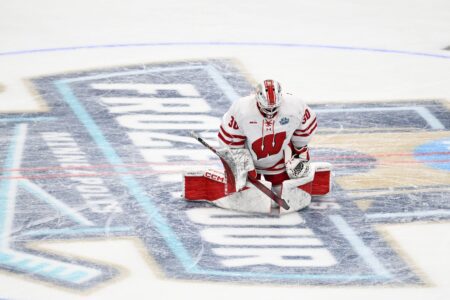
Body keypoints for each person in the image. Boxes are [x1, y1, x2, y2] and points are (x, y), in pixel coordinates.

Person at [217, 79, 317, 196]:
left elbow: (303, 132)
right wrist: (242, 164)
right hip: (250, 159)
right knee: (243, 188)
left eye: (274, 109)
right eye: (266, 109)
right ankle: (239, 182)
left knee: (287, 188)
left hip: (279, 162)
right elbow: (231, 141)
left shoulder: (295, 106)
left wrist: (299, 154)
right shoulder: (242, 109)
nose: (270, 113)